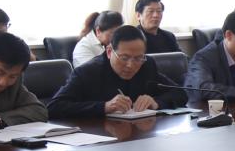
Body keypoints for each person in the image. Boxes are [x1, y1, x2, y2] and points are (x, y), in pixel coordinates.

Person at [47, 25, 185, 119]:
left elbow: (180, 93)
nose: (131, 65)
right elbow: (54, 107)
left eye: (138, 58)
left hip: (141, 135)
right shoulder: (88, 72)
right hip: (100, 139)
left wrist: (156, 102)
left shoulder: (147, 65)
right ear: (109, 52)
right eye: (124, 58)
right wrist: (104, 107)